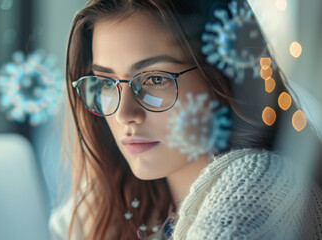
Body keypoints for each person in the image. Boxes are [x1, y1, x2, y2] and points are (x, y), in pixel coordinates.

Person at [49, 0, 322, 239]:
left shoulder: (261, 184)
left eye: (155, 79)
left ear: (223, 77)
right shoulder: (131, 197)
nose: (124, 115)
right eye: (106, 83)